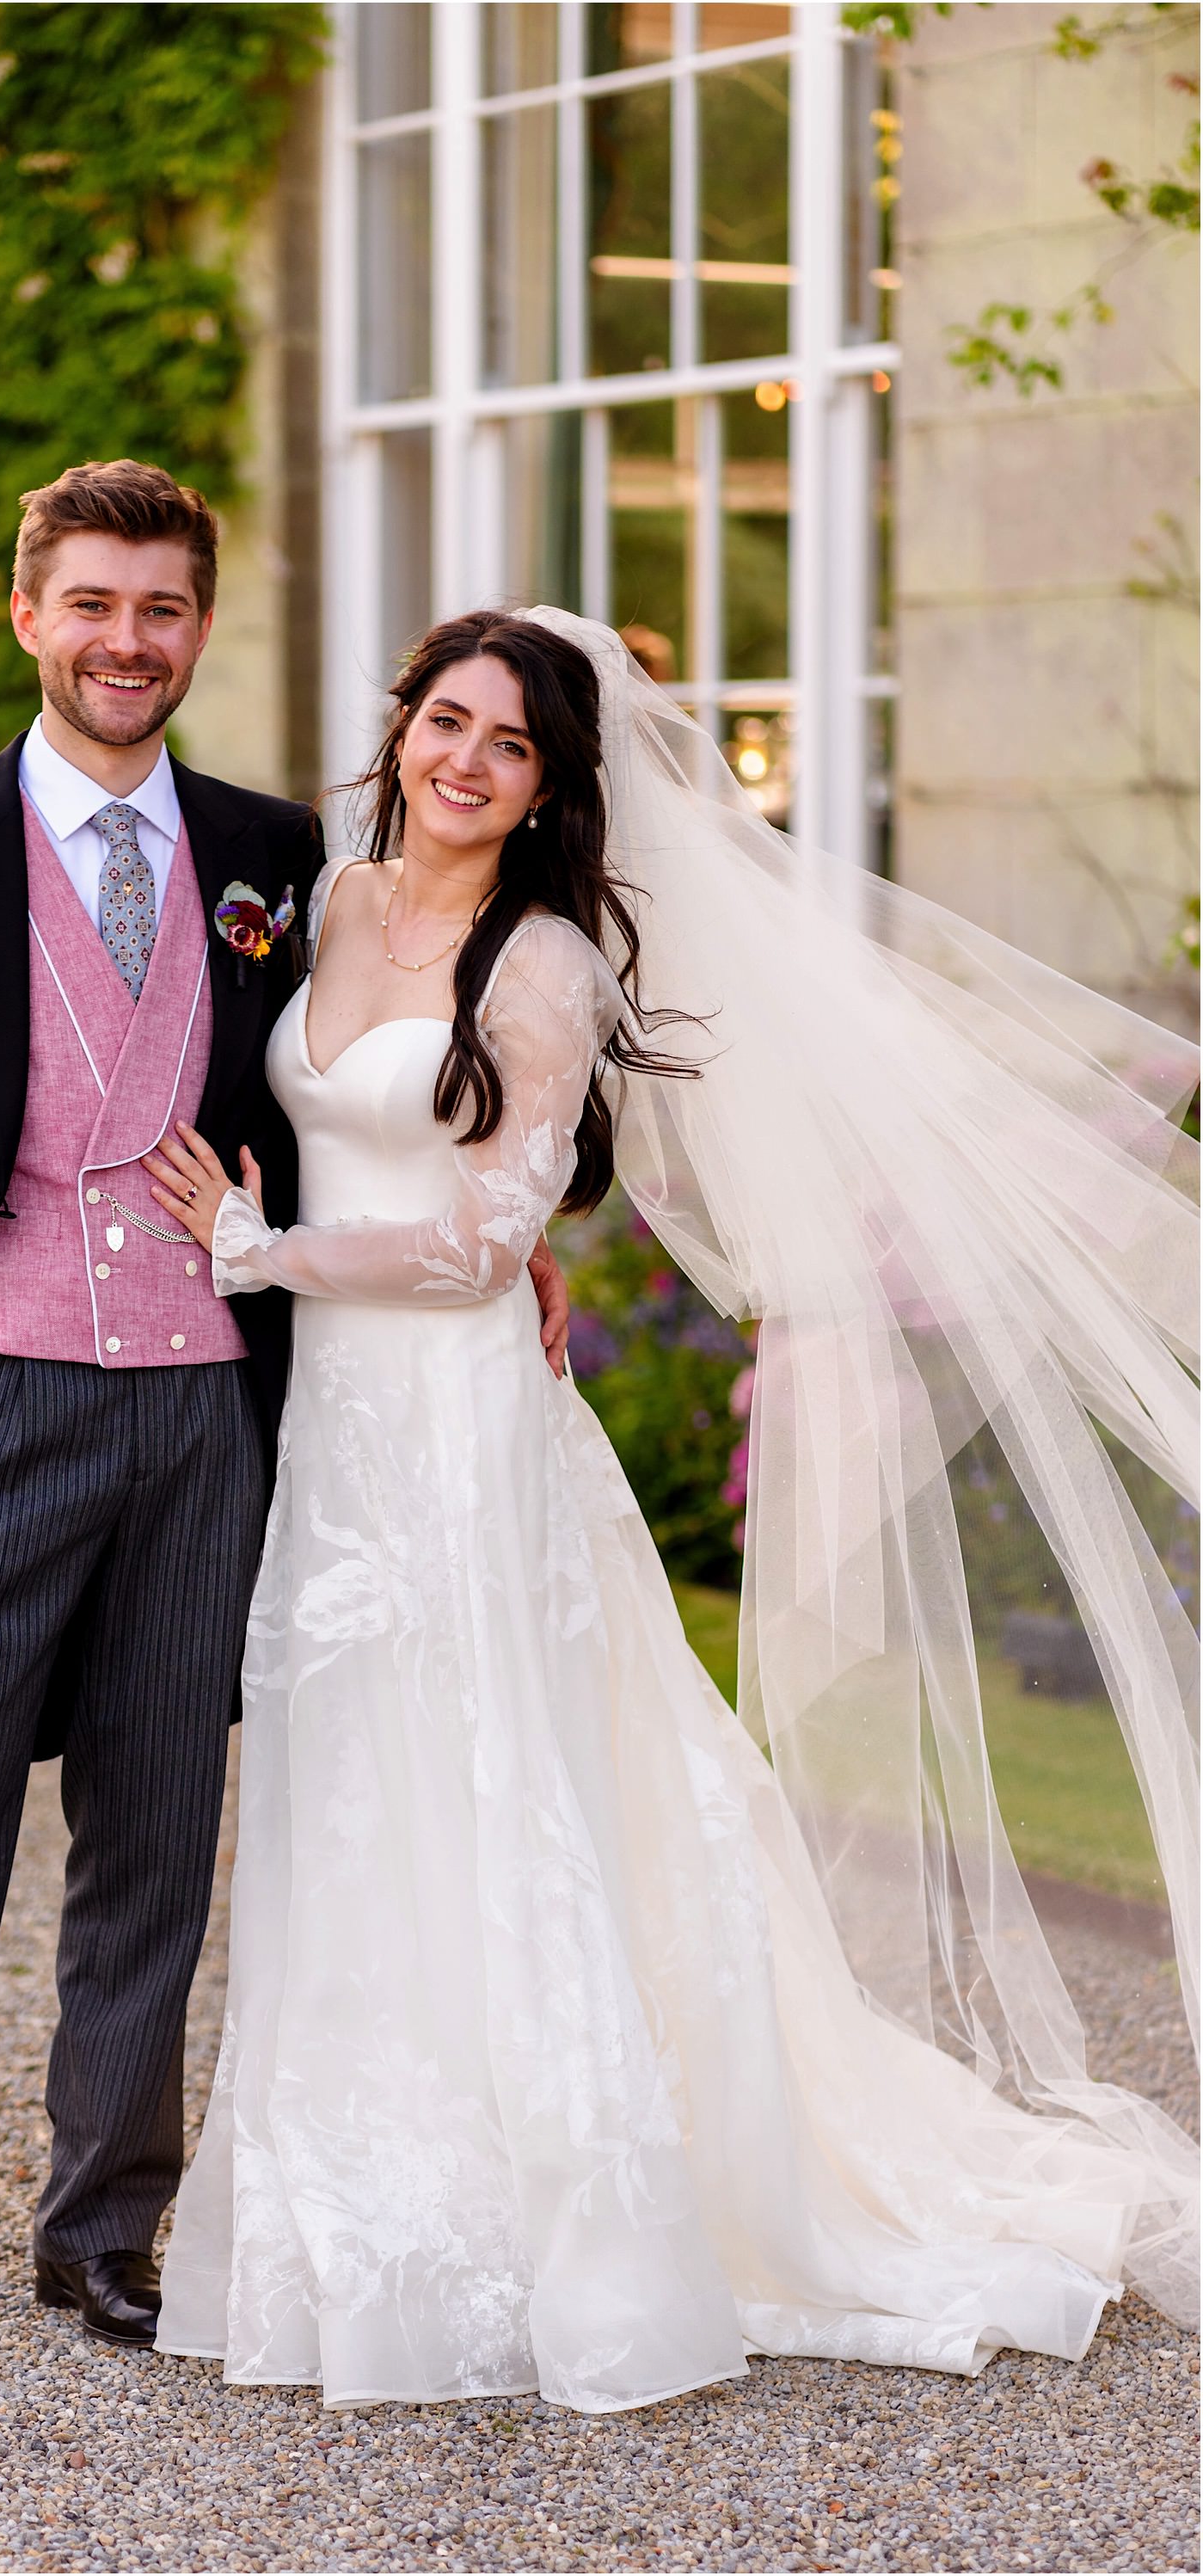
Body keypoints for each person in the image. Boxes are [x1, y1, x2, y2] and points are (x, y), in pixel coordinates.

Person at [144, 606, 1199, 2413]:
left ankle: (575, 2224)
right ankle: (359, 2213)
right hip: (335, 1427)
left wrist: (261, 1251)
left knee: (503, 1781)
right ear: (401, 726)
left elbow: (489, 1233)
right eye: (446, 722)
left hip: (463, 1426)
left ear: (553, 787)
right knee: (350, 1777)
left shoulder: (545, 959)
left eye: (511, 746)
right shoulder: (324, 904)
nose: (463, 762)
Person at [0, 455, 577, 2389]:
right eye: (92, 602)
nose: (128, 640)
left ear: (199, 624)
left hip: (208, 1417)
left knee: (157, 1842)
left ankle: (105, 2229)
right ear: (31, 614)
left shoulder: (277, 856)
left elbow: (423, 1065)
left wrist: (513, 1245)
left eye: (162, 606)